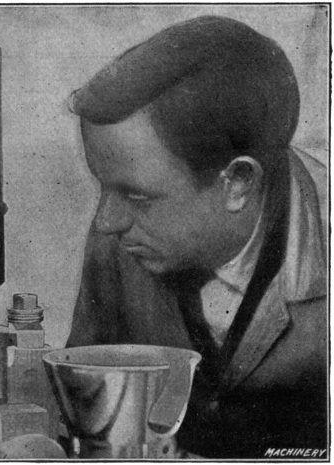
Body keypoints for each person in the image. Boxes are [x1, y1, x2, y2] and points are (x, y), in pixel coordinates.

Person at [66, 16, 327, 458]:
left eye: (136, 195)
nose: (106, 221)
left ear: (238, 182)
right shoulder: (119, 240)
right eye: (104, 187)